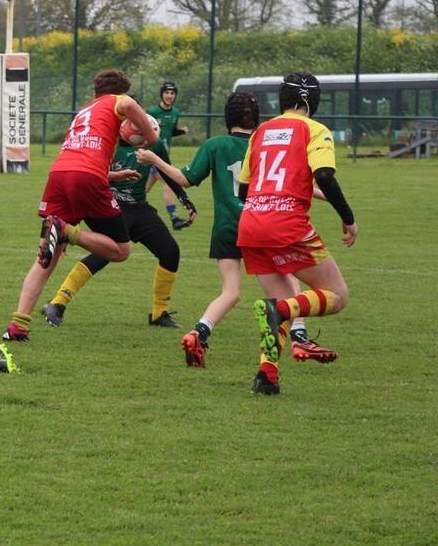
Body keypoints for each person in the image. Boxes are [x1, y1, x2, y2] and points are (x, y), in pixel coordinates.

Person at [137, 92, 333, 368]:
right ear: (257, 118)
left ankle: (199, 332)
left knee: (230, 292)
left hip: (227, 229)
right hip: (261, 226)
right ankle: (300, 336)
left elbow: (185, 179)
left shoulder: (215, 145)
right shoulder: (263, 144)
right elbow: (284, 183)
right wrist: (327, 196)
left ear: (227, 117)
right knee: (290, 283)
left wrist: (155, 161)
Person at [2, 70, 159, 342]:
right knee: (121, 251)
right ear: (119, 92)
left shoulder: (84, 112)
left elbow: (80, 159)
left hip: (60, 175)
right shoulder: (118, 102)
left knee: (46, 256)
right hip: (84, 177)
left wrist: (114, 176)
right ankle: (67, 231)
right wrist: (150, 136)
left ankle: (17, 326)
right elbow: (129, 105)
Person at [237, 73, 356, 395]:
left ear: (281, 99)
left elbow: (244, 188)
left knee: (284, 299)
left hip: (250, 221)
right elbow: (325, 175)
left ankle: (267, 375)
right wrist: (348, 218)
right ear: (312, 102)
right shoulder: (315, 129)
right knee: (336, 296)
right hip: (286, 221)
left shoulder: (261, 131)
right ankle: (281, 312)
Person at [41, 121, 196, 331]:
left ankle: (160, 313)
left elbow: (167, 171)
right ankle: (58, 303)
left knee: (170, 252)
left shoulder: (153, 143)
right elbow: (91, 179)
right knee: (102, 255)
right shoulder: (108, 144)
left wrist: (184, 199)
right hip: (113, 207)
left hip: (140, 209)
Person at [146, 81, 192, 230]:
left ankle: (122, 206)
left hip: (164, 157)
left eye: (172, 93)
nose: (169, 96)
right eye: (166, 93)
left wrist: (180, 131)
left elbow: (170, 131)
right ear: (161, 94)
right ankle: (175, 219)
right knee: (169, 184)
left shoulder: (175, 113)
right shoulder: (152, 112)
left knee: (143, 189)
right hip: (153, 156)